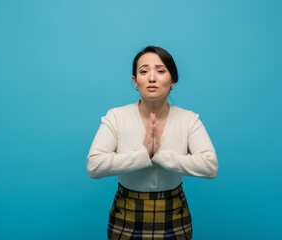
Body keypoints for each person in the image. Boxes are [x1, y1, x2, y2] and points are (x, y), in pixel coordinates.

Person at [87, 46, 218, 240]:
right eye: (143, 71)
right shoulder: (116, 117)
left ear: (173, 80)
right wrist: (143, 155)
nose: (151, 78)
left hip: (174, 213)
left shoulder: (189, 119)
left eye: (160, 70)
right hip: (127, 212)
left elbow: (210, 167)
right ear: (135, 81)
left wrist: (160, 155)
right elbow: (94, 167)